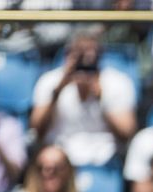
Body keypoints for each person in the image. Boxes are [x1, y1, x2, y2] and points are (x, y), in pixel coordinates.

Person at [30, 34, 139, 169]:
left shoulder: (118, 82)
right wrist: (58, 90)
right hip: (61, 160)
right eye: (77, 52)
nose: (83, 60)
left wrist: (101, 98)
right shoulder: (50, 81)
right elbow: (36, 129)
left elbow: (126, 132)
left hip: (105, 162)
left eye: (89, 52)